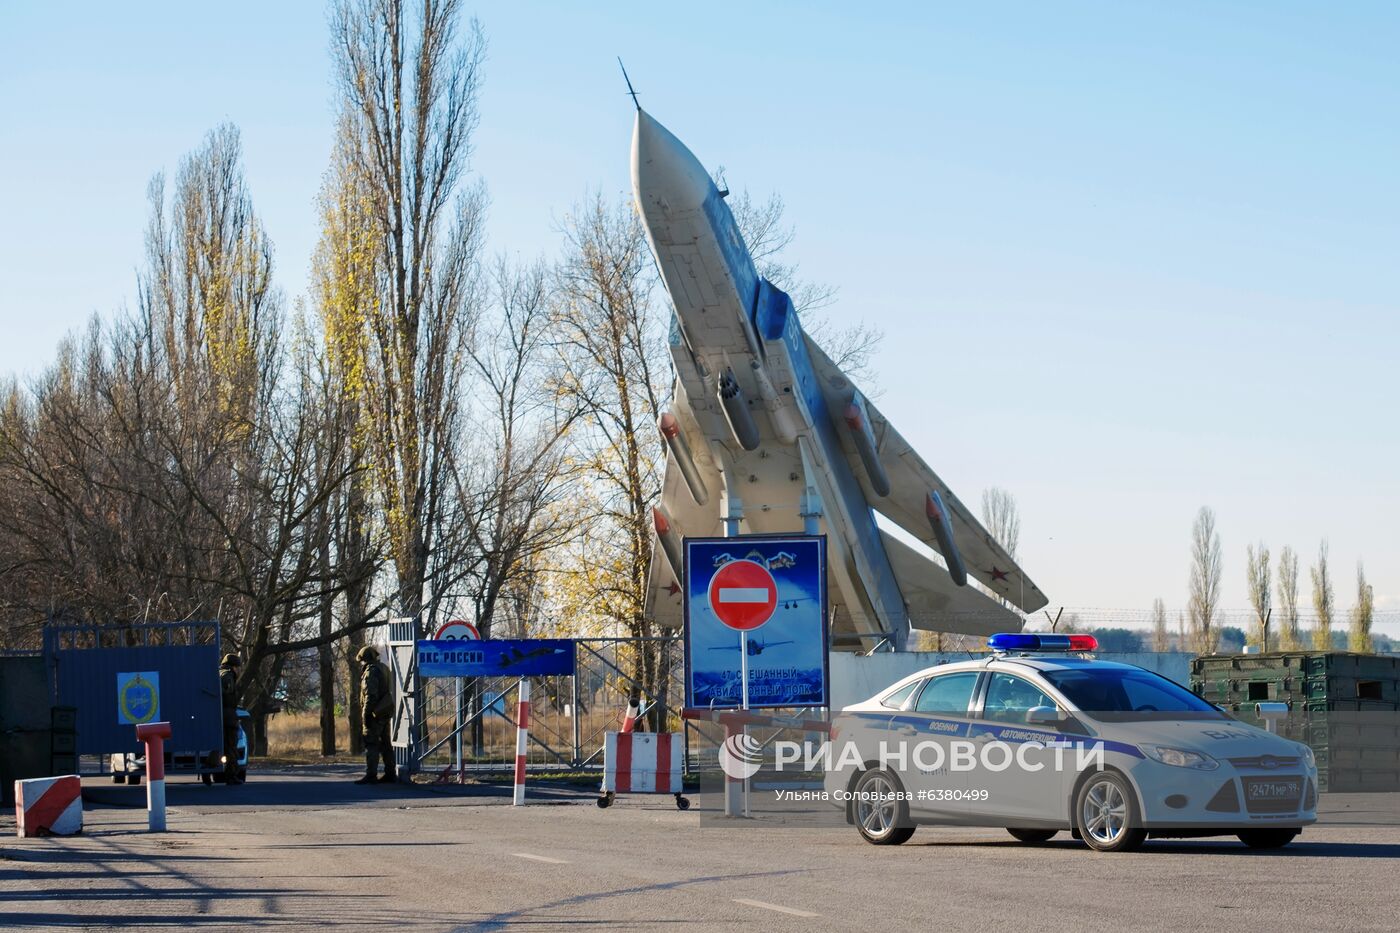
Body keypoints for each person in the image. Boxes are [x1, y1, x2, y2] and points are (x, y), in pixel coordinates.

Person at [356, 645, 397, 785]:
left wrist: (366, 714)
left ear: (365, 659)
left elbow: (370, 695)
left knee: (371, 743)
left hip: (375, 713)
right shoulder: (384, 668)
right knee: (386, 744)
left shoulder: (371, 672)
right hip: (385, 710)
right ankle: (390, 773)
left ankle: (371, 774)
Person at [218, 653, 243, 785]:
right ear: (234, 667)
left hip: (219, 716)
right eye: (238, 667)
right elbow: (227, 694)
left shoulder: (218, 673)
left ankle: (209, 768)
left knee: (219, 746)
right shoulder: (228, 676)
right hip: (228, 718)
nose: (239, 670)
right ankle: (231, 776)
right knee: (231, 747)